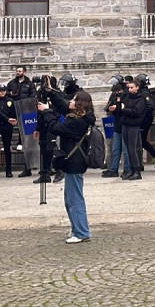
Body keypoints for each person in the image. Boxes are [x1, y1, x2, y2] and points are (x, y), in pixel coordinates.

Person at [38, 90, 94, 244]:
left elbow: (56, 127)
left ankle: (82, 232)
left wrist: (47, 112)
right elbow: (63, 105)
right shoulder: (80, 117)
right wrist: (51, 93)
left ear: (79, 104)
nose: (70, 101)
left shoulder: (77, 122)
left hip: (74, 162)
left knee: (75, 199)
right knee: (71, 199)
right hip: (73, 162)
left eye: (74, 100)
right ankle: (78, 229)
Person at [116, 79, 153, 181]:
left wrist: (124, 110)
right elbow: (120, 109)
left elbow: (136, 112)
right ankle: (131, 170)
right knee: (128, 149)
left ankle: (137, 171)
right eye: (129, 88)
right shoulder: (126, 97)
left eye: (132, 87)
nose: (130, 89)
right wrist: (119, 105)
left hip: (134, 125)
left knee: (132, 149)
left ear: (137, 88)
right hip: (125, 124)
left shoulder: (140, 98)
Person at [0, 83, 17, 178]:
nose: (2, 93)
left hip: (7, 126)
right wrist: (7, 119)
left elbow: (13, 112)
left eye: (3, 91)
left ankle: (8, 170)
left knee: (7, 148)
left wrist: (14, 120)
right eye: (0, 91)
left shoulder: (10, 100)